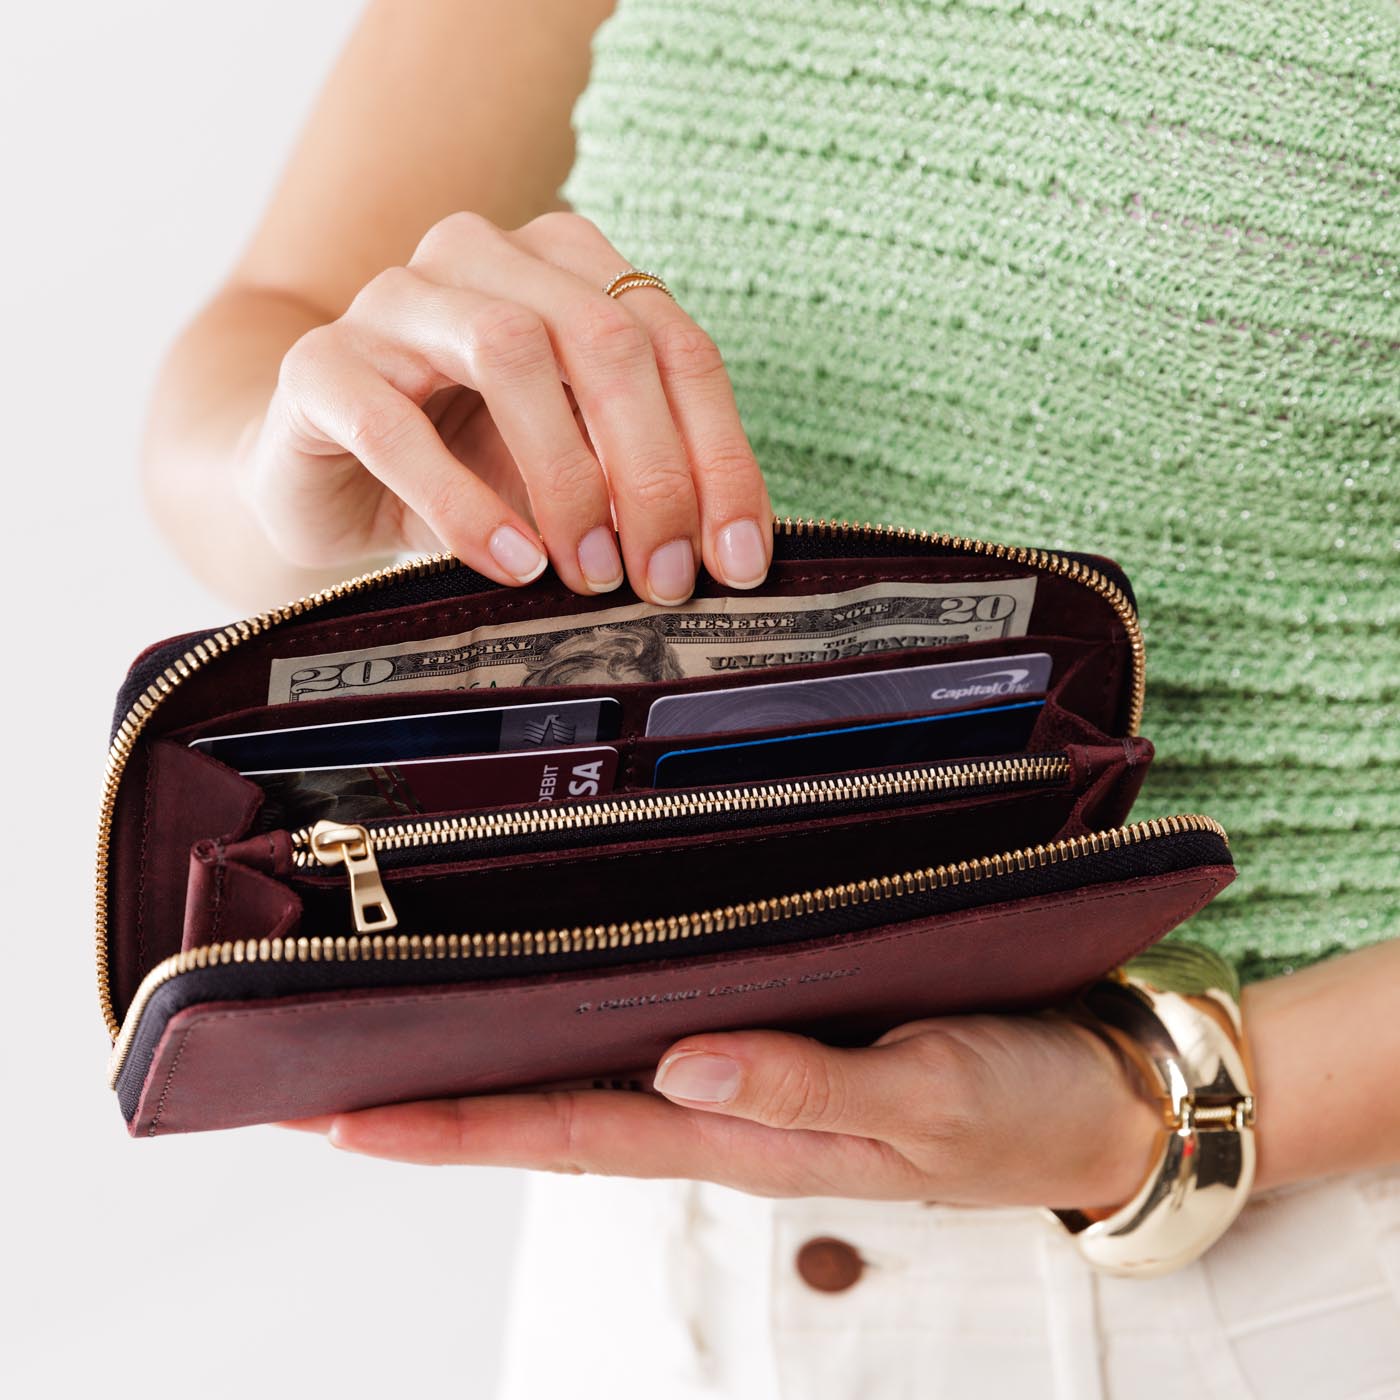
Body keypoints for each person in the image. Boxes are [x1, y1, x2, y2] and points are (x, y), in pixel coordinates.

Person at [143, 1, 1400, 1395]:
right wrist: (300, 462)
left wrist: (1159, 1114)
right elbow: (264, 333)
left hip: (1265, 1250)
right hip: (643, 1271)